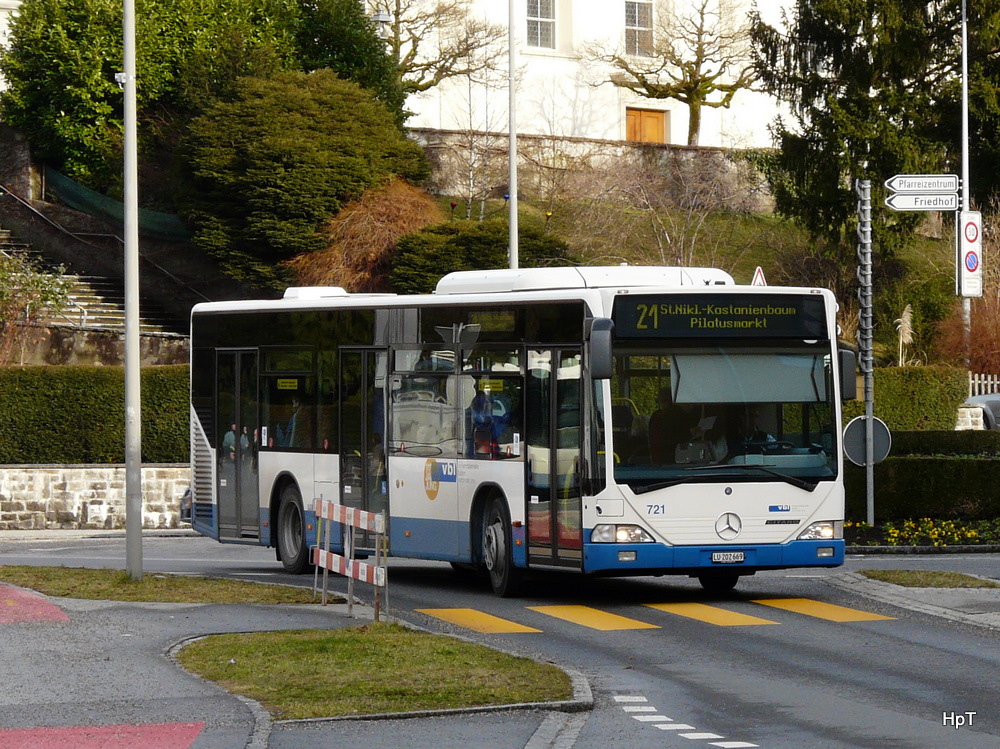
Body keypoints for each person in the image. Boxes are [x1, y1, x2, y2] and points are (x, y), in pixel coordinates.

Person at [648, 388, 697, 463]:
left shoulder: (657, 416)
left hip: (658, 457)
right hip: (674, 456)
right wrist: (689, 432)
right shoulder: (674, 416)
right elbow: (672, 437)